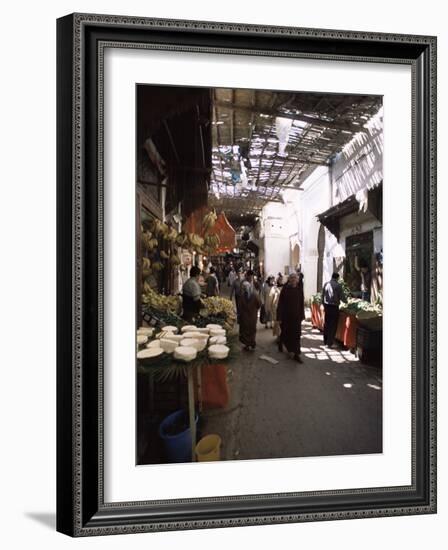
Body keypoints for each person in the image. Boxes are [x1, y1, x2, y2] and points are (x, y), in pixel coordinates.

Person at [276, 272, 305, 362]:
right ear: (289, 279)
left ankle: (296, 353)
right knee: (287, 333)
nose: (293, 280)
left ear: (297, 280)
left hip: (296, 317)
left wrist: (302, 315)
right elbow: (280, 304)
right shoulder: (285, 289)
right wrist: (279, 317)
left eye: (295, 278)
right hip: (286, 317)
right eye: (291, 278)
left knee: (297, 335)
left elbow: (301, 303)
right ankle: (287, 347)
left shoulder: (299, 290)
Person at [238, 270, 261, 351]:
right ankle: (249, 344)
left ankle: (250, 344)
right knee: (249, 330)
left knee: (249, 330)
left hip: (248, 315)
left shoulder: (252, 294)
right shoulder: (253, 294)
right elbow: (259, 304)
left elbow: (259, 304)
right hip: (250, 315)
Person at [321, 272, 343, 348]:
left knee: (327, 323)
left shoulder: (326, 284)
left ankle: (325, 341)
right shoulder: (338, 285)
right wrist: (347, 301)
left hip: (327, 306)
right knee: (333, 325)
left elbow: (322, 295)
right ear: (337, 278)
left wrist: (323, 304)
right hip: (334, 307)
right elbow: (342, 297)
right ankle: (330, 343)